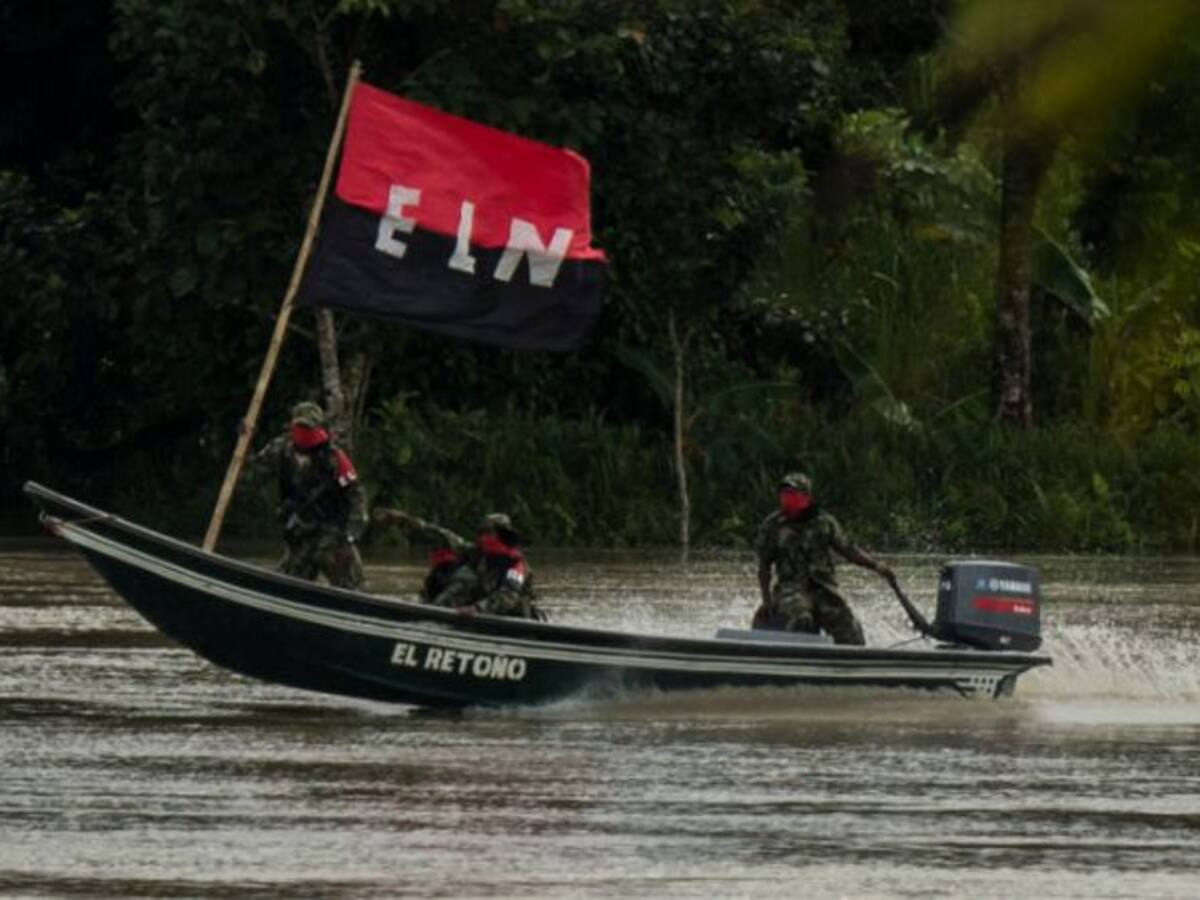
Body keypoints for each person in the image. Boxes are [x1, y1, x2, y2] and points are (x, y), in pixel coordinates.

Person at [751, 471, 895, 645]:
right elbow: (764, 566)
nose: (787, 499)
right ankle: (801, 659)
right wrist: (766, 601)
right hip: (791, 588)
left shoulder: (824, 522)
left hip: (823, 588)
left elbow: (849, 550)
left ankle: (851, 662)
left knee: (847, 626)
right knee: (801, 617)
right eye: (784, 495)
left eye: (793, 495)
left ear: (806, 497)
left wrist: (878, 566)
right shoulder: (772, 525)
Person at [253, 401, 369, 589]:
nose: (303, 432)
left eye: (308, 427)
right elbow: (253, 471)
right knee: (285, 589)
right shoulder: (281, 448)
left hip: (332, 535)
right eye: (300, 426)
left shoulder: (333, 456)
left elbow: (356, 494)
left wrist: (351, 534)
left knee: (354, 591)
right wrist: (246, 436)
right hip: (301, 534)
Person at [376, 508, 545, 620]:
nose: (484, 537)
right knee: (456, 572)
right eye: (482, 532)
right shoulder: (477, 553)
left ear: (502, 536)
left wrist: (477, 609)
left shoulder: (516, 564)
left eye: (489, 533)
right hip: (479, 615)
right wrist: (402, 519)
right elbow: (440, 535)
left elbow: (507, 597)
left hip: (509, 620)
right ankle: (432, 612)